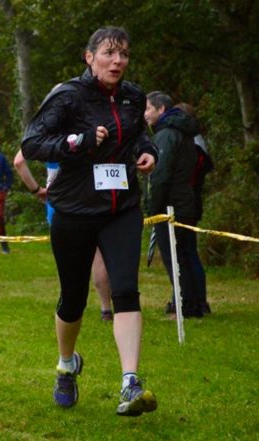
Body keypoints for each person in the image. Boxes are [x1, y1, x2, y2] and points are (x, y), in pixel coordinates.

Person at [21, 26, 158, 416]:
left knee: (126, 290)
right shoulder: (68, 95)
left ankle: (130, 383)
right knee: (73, 298)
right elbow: (31, 144)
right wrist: (76, 143)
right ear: (89, 57)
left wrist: (149, 154)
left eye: (124, 54)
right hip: (75, 209)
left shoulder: (133, 96)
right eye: (109, 54)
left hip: (122, 208)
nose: (118, 61)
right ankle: (66, 365)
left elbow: (138, 138)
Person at [13, 150, 113, 321]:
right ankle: (106, 309)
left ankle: (67, 306)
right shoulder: (88, 131)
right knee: (97, 257)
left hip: (59, 204)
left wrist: (36, 190)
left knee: (67, 263)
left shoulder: (51, 134)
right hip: (91, 199)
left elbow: (19, 162)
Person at [145, 93, 202, 318]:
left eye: (148, 109)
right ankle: (196, 303)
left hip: (171, 206)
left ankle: (185, 306)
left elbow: (160, 176)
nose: (145, 115)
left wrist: (153, 208)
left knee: (176, 257)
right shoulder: (183, 132)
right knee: (188, 254)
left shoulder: (166, 135)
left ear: (161, 110)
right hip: (185, 202)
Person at [176, 102, 213, 315]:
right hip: (191, 201)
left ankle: (193, 301)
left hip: (187, 203)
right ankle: (196, 299)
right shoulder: (198, 143)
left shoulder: (192, 145)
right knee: (188, 251)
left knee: (185, 252)